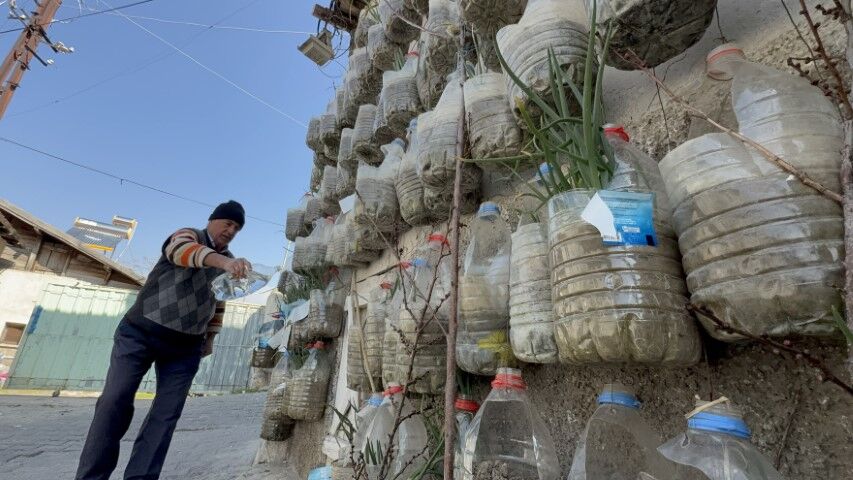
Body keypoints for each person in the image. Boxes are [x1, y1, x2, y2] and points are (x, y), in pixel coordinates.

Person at [76, 200, 253, 480]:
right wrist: (226, 262)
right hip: (139, 333)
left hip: (185, 349)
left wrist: (210, 338)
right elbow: (181, 252)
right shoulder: (188, 235)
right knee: (114, 401)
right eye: (228, 223)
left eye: (237, 228)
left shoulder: (227, 260)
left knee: (166, 416)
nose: (231, 231)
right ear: (213, 220)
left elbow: (220, 301)